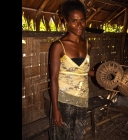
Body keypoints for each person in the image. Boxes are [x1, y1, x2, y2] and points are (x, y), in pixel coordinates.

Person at [48, 0, 94, 140]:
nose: (79, 25)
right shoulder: (58, 46)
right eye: (74, 21)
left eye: (82, 20)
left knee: (78, 135)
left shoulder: (88, 45)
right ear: (66, 22)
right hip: (64, 101)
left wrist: (99, 74)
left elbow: (82, 71)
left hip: (82, 100)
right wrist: (55, 109)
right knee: (62, 136)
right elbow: (54, 78)